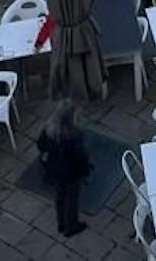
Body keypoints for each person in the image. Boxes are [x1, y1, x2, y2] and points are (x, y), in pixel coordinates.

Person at [36, 100, 91, 238]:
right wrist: (85, 169)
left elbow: (41, 145)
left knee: (60, 196)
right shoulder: (74, 135)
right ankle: (71, 226)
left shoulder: (48, 129)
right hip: (71, 173)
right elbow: (80, 157)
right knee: (72, 199)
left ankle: (61, 223)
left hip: (54, 170)